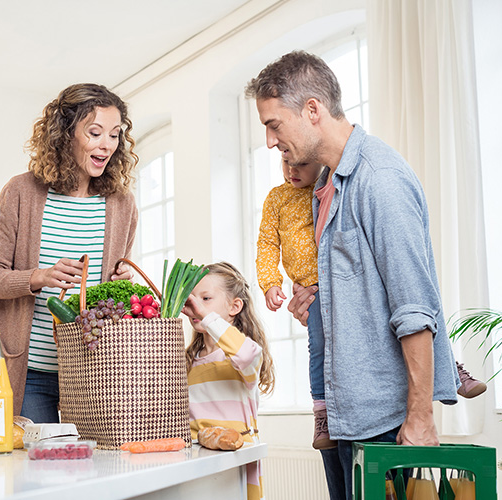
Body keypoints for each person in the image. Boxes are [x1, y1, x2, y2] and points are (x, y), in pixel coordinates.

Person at [245, 51, 460, 500]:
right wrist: (316, 306)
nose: (269, 141)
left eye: (273, 124)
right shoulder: (326, 189)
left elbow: (414, 305)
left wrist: (420, 417)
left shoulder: (379, 180)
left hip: (386, 423)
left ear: (311, 110)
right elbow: (357, 291)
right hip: (345, 414)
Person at [0, 83, 139, 423]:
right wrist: (39, 277)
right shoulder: (22, 192)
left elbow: (110, 295)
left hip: (93, 370)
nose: (106, 145)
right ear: (66, 134)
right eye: (94, 133)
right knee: (34, 472)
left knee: (95, 471)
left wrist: (124, 281)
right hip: (30, 371)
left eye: (114, 135)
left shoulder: (122, 204)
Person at [256, 158, 334, 450]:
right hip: (309, 290)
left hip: (338, 282)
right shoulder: (278, 198)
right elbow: (267, 243)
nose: (291, 171)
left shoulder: (327, 188)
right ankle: (322, 413)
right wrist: (270, 282)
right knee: (318, 348)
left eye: (301, 164)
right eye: (286, 162)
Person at [182, 262, 275, 500]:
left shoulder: (243, 356)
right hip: (199, 466)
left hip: (236, 466)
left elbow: (246, 353)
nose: (196, 306)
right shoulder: (189, 361)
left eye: (206, 298)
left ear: (235, 306)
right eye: (192, 298)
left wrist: (207, 317)